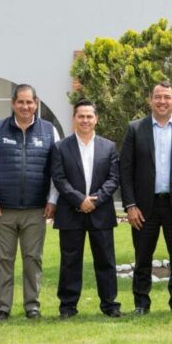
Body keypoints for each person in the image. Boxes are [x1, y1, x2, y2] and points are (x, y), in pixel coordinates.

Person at [119, 81, 172, 316]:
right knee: (142, 257)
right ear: (150, 100)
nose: (162, 101)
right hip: (144, 207)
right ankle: (141, 304)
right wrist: (130, 205)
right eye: (158, 97)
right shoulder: (135, 129)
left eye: (167, 97)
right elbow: (125, 170)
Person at [0, 84, 59, 321]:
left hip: (36, 210)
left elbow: (57, 170)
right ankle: (3, 308)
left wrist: (53, 200)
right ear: (13, 103)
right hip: (3, 209)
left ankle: (32, 306)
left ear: (36, 103)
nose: (25, 106)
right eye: (21, 102)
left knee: (33, 259)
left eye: (30, 102)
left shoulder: (49, 131)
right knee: (4, 261)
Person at [50, 99, 122, 318]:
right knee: (70, 261)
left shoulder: (108, 146)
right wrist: (79, 199)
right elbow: (59, 179)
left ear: (96, 119)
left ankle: (109, 305)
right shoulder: (61, 147)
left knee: (106, 261)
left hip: (101, 212)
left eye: (89, 116)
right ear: (74, 119)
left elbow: (113, 178)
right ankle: (68, 306)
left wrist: (96, 199)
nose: (85, 120)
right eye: (81, 116)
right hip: (71, 211)